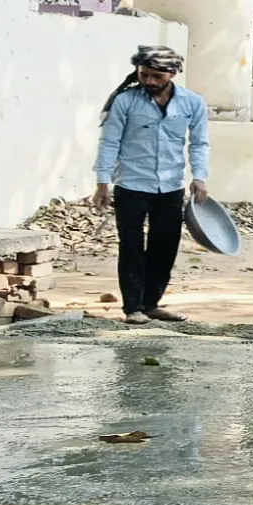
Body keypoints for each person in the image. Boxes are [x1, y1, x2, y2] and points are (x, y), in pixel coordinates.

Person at [91, 45, 210, 325]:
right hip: (131, 184)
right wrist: (102, 182)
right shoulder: (125, 101)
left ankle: (151, 303)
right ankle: (132, 307)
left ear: (172, 74)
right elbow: (109, 142)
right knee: (131, 246)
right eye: (144, 75)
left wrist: (200, 177)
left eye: (156, 76)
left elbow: (200, 143)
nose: (149, 82)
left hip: (171, 186)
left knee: (165, 246)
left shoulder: (193, 103)